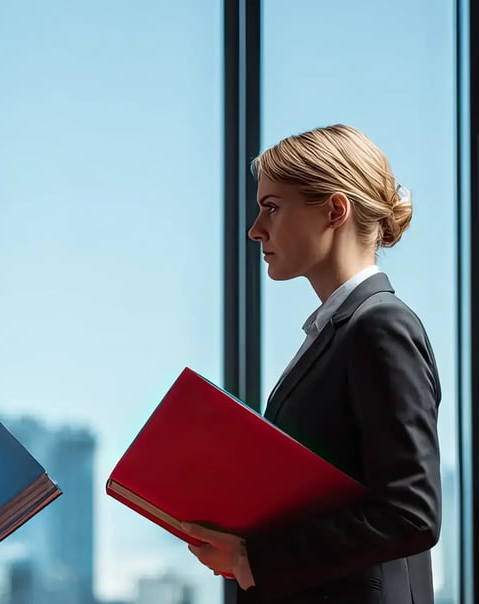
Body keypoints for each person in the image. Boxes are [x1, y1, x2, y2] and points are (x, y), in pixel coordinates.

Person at [182, 124, 441, 603]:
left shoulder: (380, 327)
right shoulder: (340, 330)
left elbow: (411, 512)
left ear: (335, 210)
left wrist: (254, 559)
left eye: (272, 207)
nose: (255, 229)